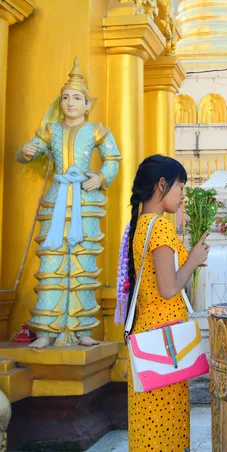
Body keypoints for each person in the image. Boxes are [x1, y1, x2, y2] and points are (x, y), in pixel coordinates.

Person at [16, 57, 121, 349]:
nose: (70, 102)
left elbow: (114, 158)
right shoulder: (50, 130)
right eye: (66, 98)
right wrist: (25, 152)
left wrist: (100, 177)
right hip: (57, 199)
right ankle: (47, 331)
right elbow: (27, 153)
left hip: (85, 200)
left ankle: (81, 327)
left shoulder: (98, 130)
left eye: (77, 98)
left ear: (88, 105)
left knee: (82, 261)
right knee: (53, 261)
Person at [124, 155, 210, 451]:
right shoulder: (160, 227)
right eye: (181, 187)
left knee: (152, 428)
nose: (183, 195)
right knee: (164, 430)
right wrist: (195, 260)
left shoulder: (142, 225)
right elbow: (169, 287)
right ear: (162, 185)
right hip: (165, 340)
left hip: (151, 335)